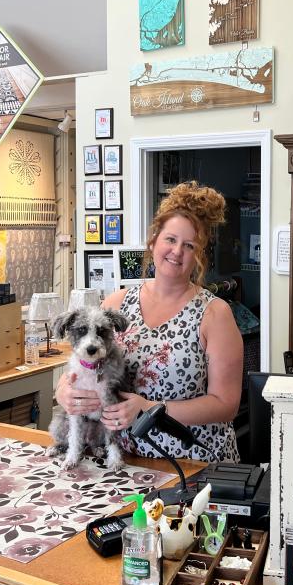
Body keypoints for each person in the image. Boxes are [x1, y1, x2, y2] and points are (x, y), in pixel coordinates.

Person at [55, 181, 243, 462]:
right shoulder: (116, 304)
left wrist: (149, 407)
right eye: (170, 239)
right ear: (154, 241)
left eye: (189, 245)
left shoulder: (215, 314)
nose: (177, 251)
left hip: (193, 460)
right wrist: (63, 391)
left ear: (199, 256)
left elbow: (226, 405)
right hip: (127, 460)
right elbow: (86, 366)